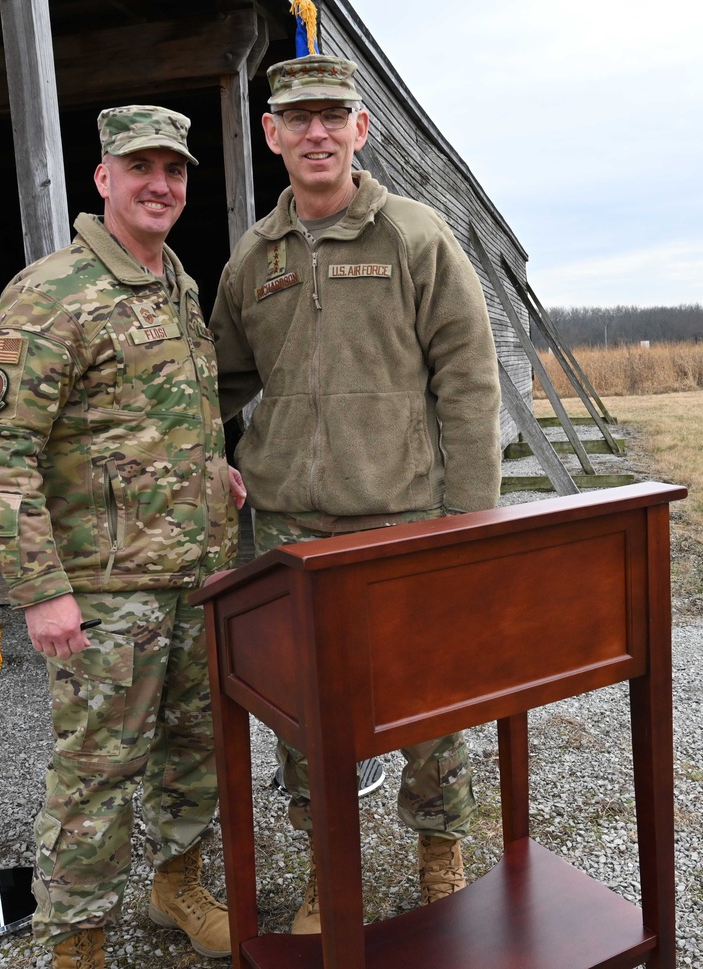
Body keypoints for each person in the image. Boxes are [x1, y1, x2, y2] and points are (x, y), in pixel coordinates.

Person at [208, 55, 502, 934]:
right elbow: (215, 380)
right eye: (297, 120)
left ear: (360, 129)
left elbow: (469, 377)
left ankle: (438, 846)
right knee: (305, 715)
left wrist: (469, 518)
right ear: (272, 136)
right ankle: (324, 868)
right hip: (291, 531)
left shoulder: (414, 235)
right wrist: (192, 456)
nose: (317, 133)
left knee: (428, 703)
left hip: (403, 518)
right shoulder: (253, 259)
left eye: (333, 115)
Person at [0, 104, 244, 969]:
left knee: (195, 750)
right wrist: (42, 589)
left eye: (176, 171)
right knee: (97, 772)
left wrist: (214, 471)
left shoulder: (177, 282)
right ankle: (76, 941)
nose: (161, 185)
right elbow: (1, 451)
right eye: (141, 168)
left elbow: (166, 414)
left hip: (197, 575)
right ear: (103, 179)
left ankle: (177, 885)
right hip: (106, 593)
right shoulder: (50, 292)